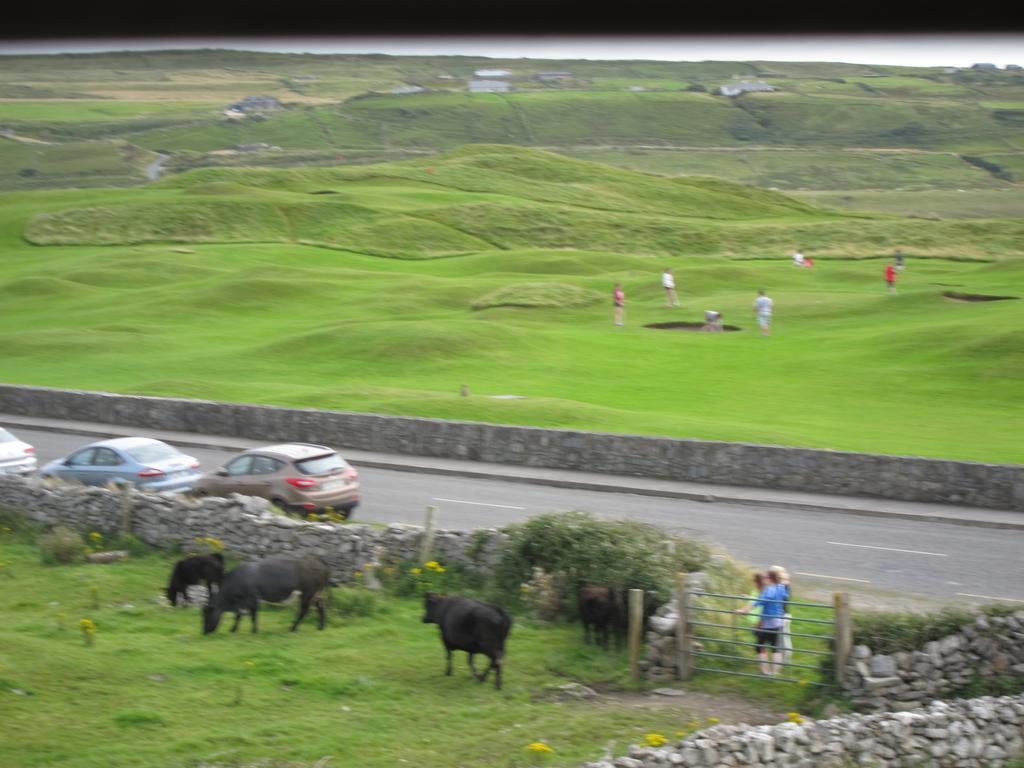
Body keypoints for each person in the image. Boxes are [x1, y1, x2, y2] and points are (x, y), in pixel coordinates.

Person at [736, 569, 788, 675]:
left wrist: (743, 610)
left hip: (768, 622)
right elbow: (785, 597)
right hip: (778, 621)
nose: (764, 579)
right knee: (776, 648)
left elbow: (760, 601)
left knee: (759, 646)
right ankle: (775, 672)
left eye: (766, 577)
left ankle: (765, 671)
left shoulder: (770, 590)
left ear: (770, 578)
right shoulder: (781, 587)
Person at [768, 565, 792, 665]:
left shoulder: (783, 586)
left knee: (783, 638)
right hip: (782, 614)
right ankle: (782, 658)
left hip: (782, 615)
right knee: (781, 637)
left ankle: (786, 659)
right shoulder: (783, 585)